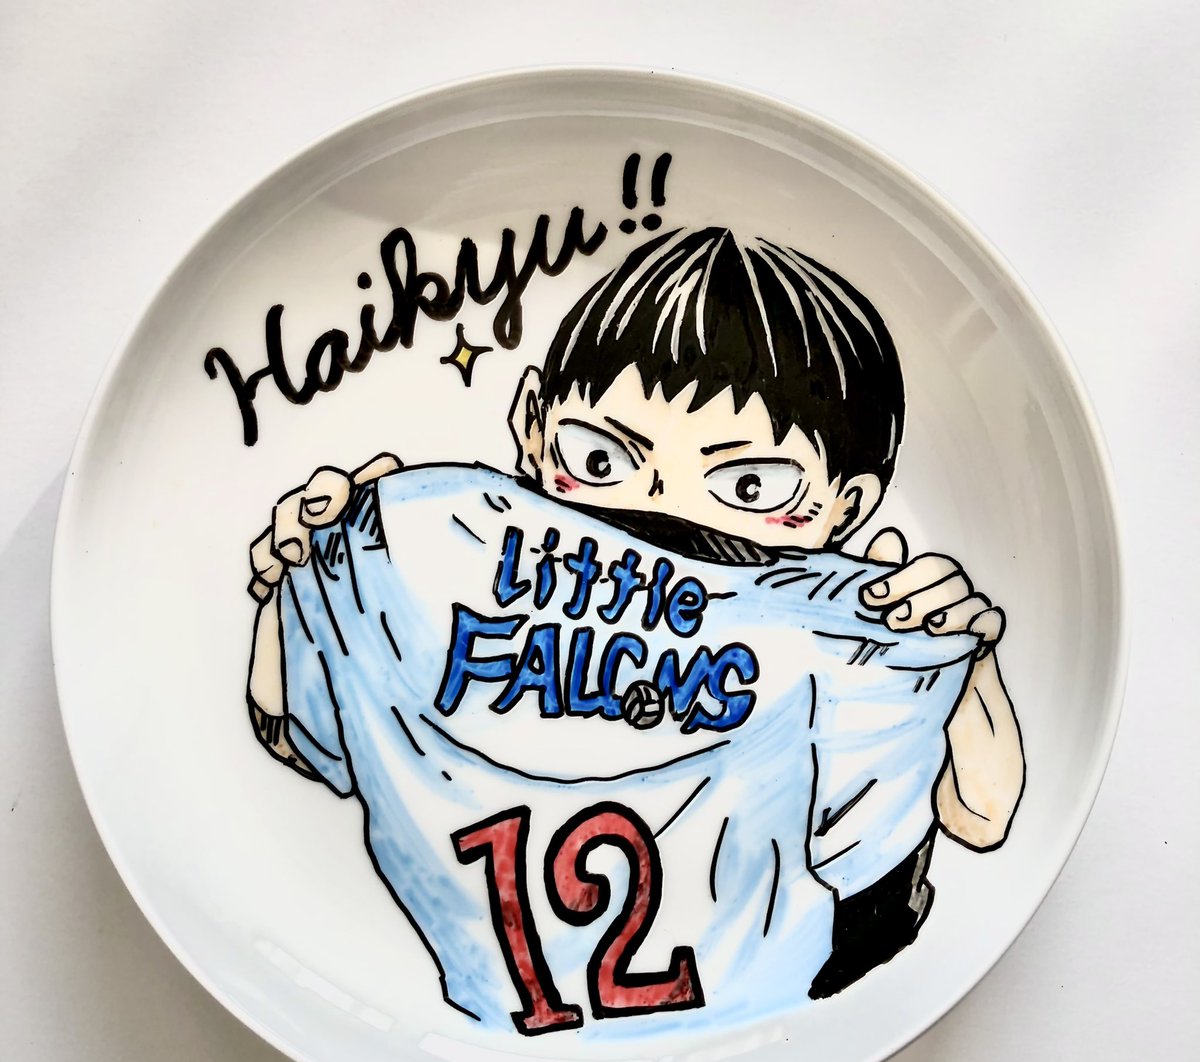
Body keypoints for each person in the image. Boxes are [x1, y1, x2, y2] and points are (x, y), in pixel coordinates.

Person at [245, 228, 1025, 1019]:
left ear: (846, 509)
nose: (659, 508)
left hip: (730, 1037)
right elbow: (294, 730)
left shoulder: (844, 635)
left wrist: (961, 656)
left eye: (749, 486)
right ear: (532, 424)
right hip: (682, 1029)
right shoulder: (427, 551)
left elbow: (982, 814)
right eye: (601, 459)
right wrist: (303, 575)